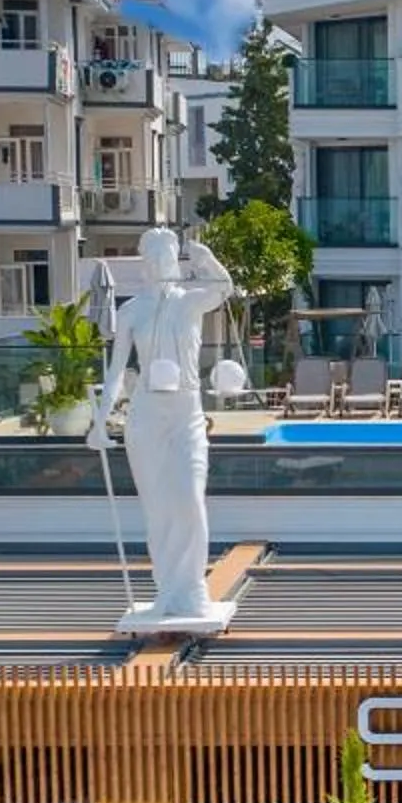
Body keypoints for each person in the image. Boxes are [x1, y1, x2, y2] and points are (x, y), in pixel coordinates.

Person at [88, 226, 237, 623]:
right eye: (150, 257)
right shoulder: (131, 310)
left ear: (175, 261)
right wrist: (100, 421)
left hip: (186, 411)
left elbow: (225, 288)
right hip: (146, 415)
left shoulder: (190, 302)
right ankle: (167, 591)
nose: (157, 264)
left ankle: (193, 590)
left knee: (189, 498)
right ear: (143, 263)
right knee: (157, 509)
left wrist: (206, 259)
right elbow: (117, 371)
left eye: (164, 256)